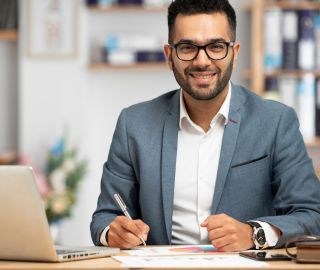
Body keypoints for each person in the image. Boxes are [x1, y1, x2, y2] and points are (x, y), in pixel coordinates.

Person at [90, 0, 320, 252]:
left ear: (234, 54)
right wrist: (114, 232)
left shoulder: (276, 121)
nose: (202, 61)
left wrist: (254, 233)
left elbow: (311, 215)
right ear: (169, 56)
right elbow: (104, 218)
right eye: (187, 47)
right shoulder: (133, 124)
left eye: (216, 46)